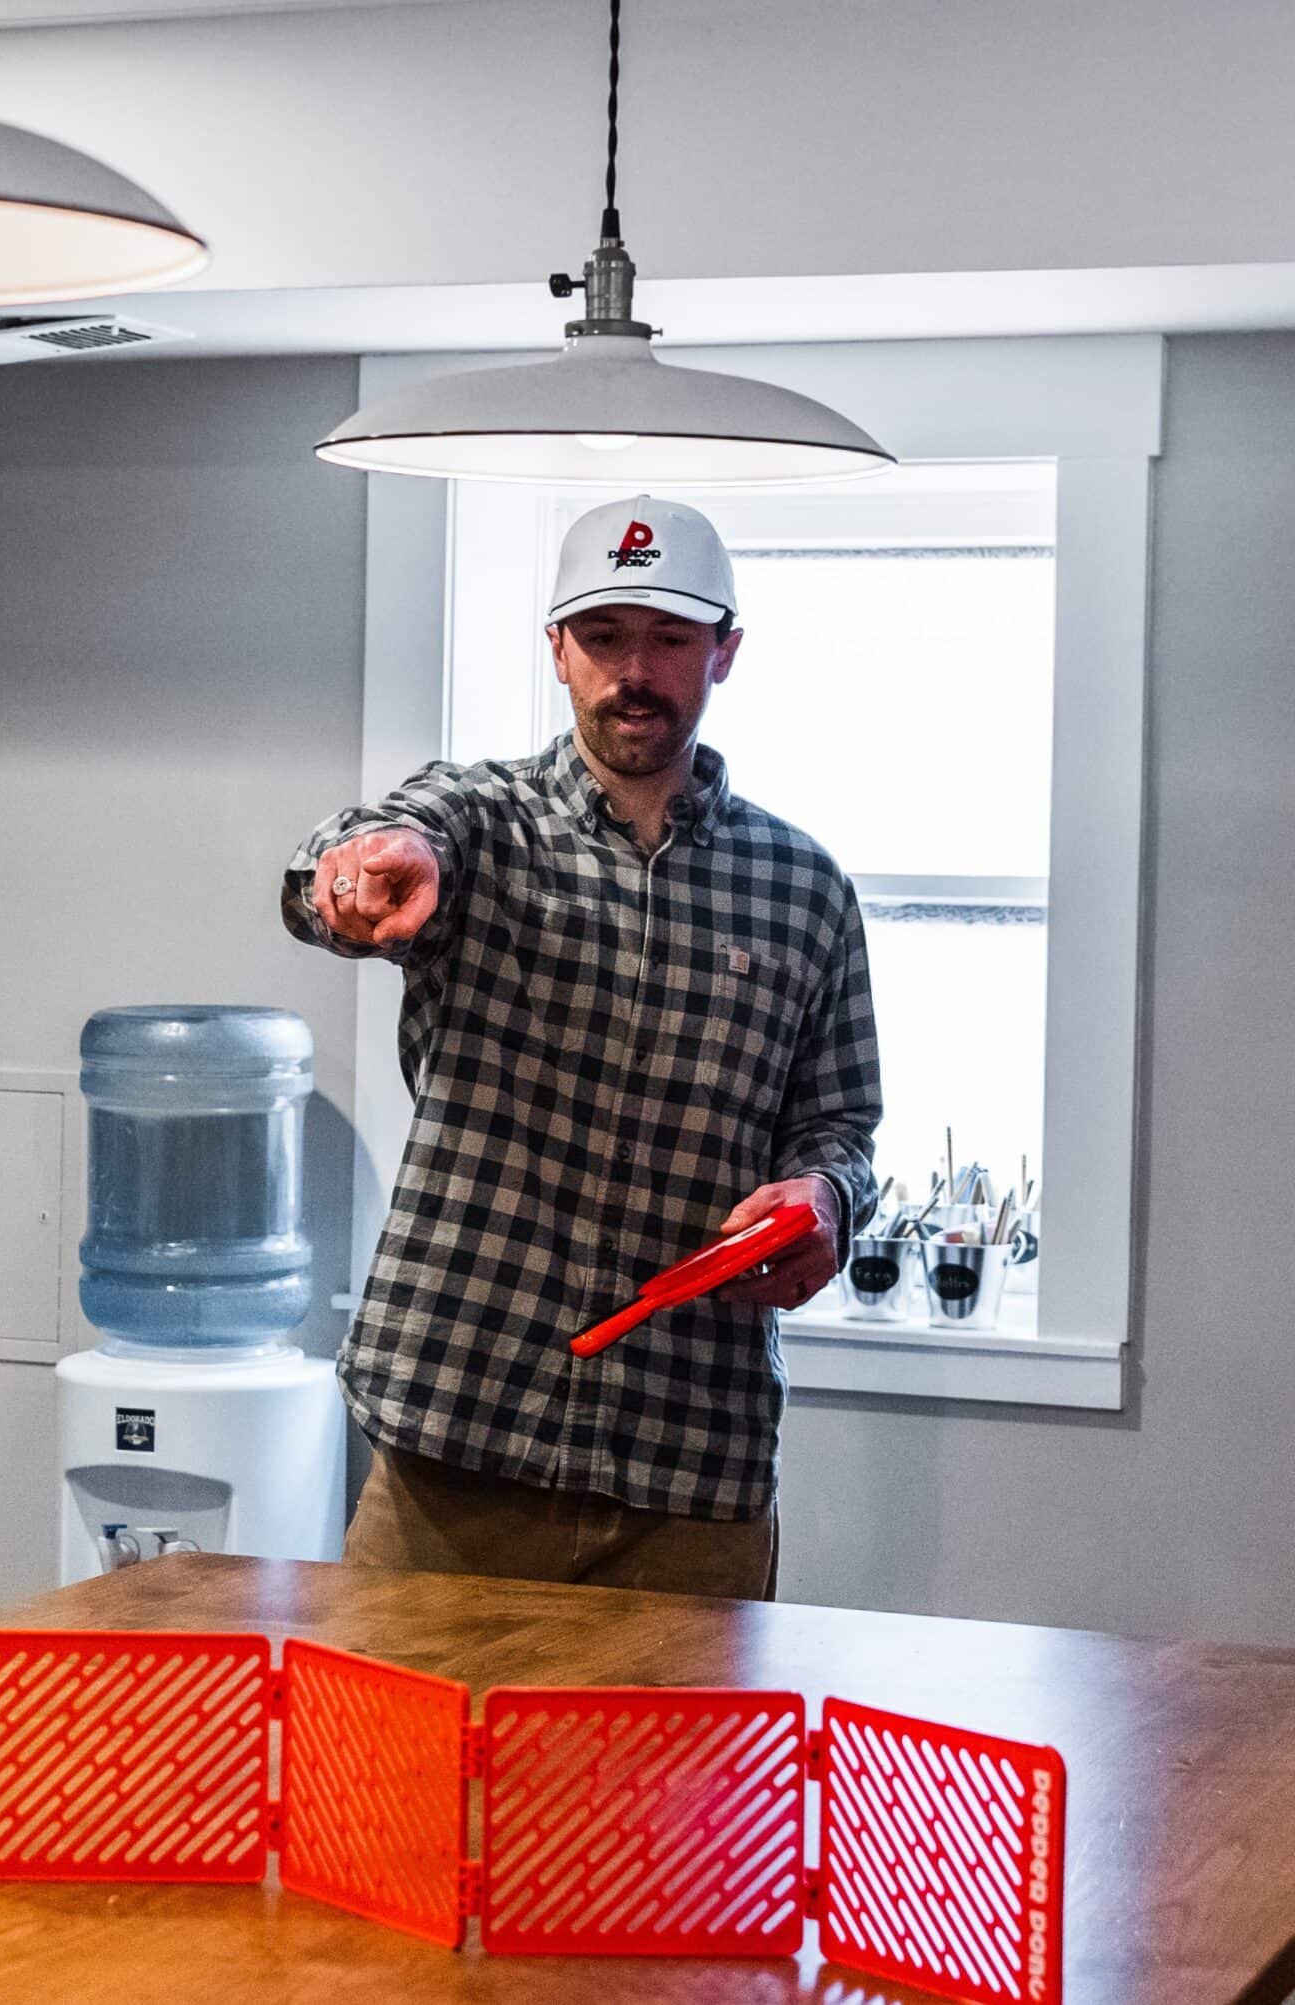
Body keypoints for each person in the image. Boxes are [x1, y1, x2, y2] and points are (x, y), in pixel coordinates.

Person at [283, 494, 879, 1600]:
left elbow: (840, 1129)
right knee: (394, 1772)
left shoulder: (806, 889)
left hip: (691, 1472)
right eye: (601, 636)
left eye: (668, 637)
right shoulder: (483, 822)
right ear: (556, 649)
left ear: (725, 651)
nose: (632, 671)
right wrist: (366, 868)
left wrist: (823, 1200)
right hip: (452, 1448)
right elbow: (389, 836)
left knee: (693, 1780)